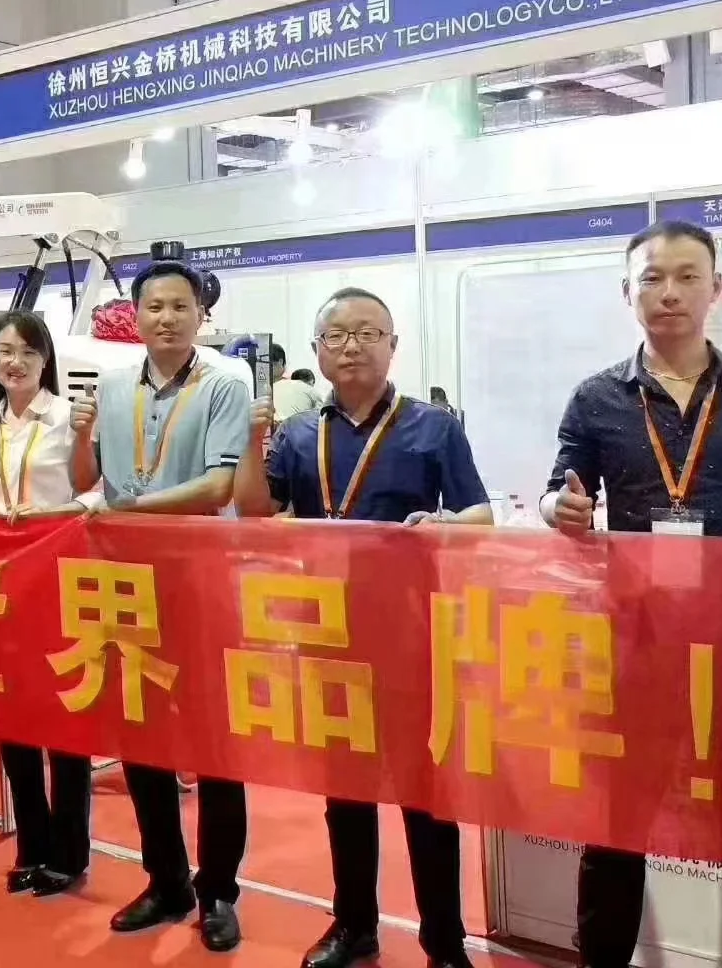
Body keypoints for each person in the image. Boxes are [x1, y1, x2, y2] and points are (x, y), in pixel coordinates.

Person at [540, 219, 722, 968]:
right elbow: (559, 489)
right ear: (629, 292)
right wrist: (561, 509)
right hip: (635, 637)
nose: (669, 292)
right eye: (652, 278)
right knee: (618, 823)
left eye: (686, 277)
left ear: (717, 289)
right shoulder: (596, 397)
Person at [235, 286, 492, 968]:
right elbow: (256, 511)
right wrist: (253, 440)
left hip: (413, 640)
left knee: (426, 797)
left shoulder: (434, 426)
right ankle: (354, 926)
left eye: (368, 333)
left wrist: (445, 524)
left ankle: (445, 943)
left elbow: (481, 515)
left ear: (393, 346)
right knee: (345, 793)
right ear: (317, 350)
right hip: (327, 635)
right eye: (338, 335)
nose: (352, 345)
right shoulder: (297, 433)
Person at [68, 259, 250, 953]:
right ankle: (166, 880)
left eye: (179, 306)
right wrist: (81, 438)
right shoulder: (113, 386)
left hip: (201, 586)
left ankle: (219, 891)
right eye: (154, 306)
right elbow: (88, 479)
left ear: (201, 315)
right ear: (136, 316)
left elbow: (219, 486)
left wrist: (133, 509)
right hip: (127, 583)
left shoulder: (226, 382)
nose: (166, 317)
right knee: (141, 737)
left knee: (214, 745)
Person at [0, 311, 98, 897]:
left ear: (45, 359)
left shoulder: (68, 416)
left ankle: (70, 852)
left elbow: (94, 490)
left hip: (58, 578)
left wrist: (58, 510)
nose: (15, 362)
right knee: (13, 718)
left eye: (28, 352)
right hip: (1, 583)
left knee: (64, 717)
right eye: (5, 351)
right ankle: (32, 843)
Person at [271, 341, 321, 424]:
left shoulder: (297, 382)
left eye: (270, 365)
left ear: (280, 362)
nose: (266, 369)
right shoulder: (263, 385)